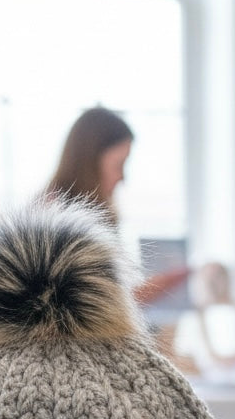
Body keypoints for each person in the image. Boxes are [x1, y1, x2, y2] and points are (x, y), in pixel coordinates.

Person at [44, 107, 189, 304]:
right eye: (119, 164)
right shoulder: (55, 224)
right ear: (90, 163)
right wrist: (160, 285)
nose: (122, 177)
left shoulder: (70, 215)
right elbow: (97, 307)